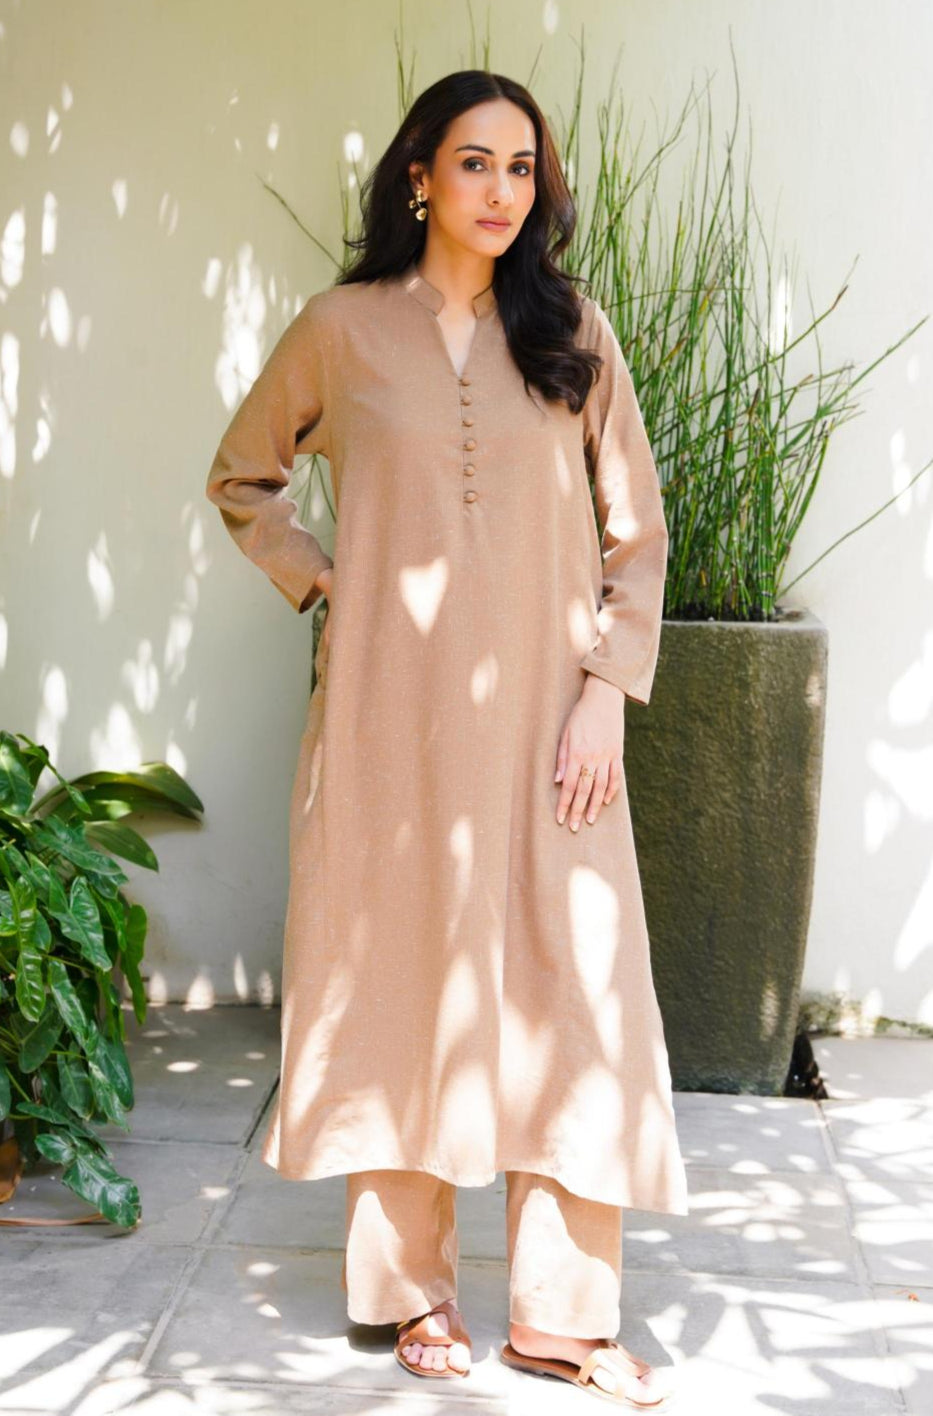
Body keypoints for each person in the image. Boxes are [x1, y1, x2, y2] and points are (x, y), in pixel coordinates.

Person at [206, 68, 688, 1409]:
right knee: (399, 972)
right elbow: (243, 476)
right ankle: (410, 1290)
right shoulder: (342, 329)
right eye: (474, 162)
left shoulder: (572, 333)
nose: (499, 190)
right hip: (390, 722)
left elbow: (636, 533)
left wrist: (607, 690)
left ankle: (560, 1317)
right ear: (417, 175)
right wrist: (329, 580)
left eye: (521, 168)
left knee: (574, 991)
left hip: (553, 727)